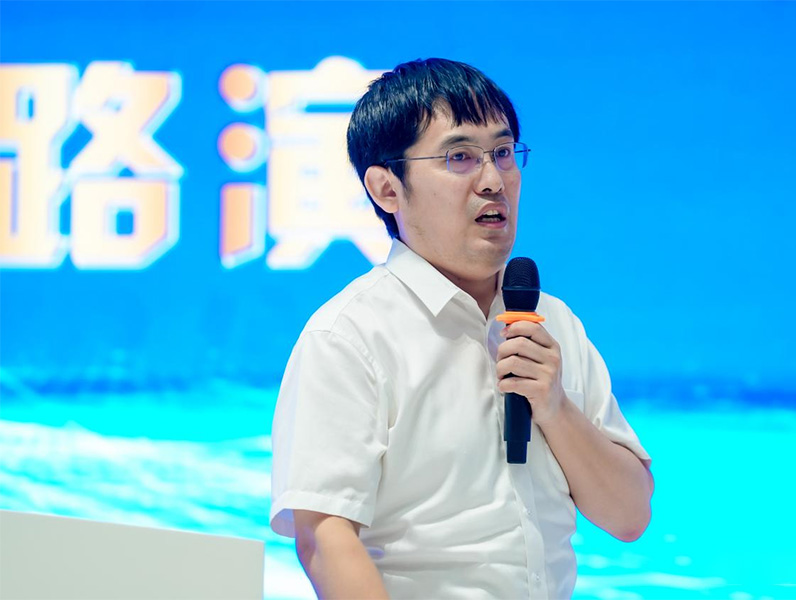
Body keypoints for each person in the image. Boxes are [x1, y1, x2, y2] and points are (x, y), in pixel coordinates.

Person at [270, 58, 653, 599]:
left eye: (503, 153)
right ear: (386, 188)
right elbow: (324, 538)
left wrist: (555, 408)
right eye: (460, 157)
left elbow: (630, 515)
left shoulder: (553, 322)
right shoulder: (349, 337)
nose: (493, 181)